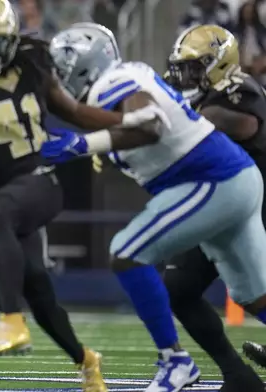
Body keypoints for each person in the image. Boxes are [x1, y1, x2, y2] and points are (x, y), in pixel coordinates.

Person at [0, 1, 160, 390]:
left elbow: (76, 113)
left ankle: (9, 320)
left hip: (39, 181)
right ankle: (87, 362)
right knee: (39, 291)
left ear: (9, 41)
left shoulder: (34, 62)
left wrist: (126, 121)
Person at [43, 23, 266, 392]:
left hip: (219, 183)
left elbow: (150, 126)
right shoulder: (121, 86)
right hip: (231, 184)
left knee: (127, 252)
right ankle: (239, 378)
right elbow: (103, 122)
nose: (185, 77)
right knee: (249, 294)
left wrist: (85, 145)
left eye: (64, 71)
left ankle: (175, 360)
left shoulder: (118, 81)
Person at [162, 24, 265, 391]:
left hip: (253, 208)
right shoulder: (197, 102)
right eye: (184, 67)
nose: (187, 75)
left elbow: (237, 122)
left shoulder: (239, 90)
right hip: (223, 213)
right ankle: (237, 375)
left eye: (196, 66)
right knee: (178, 287)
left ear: (220, 64)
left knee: (253, 295)